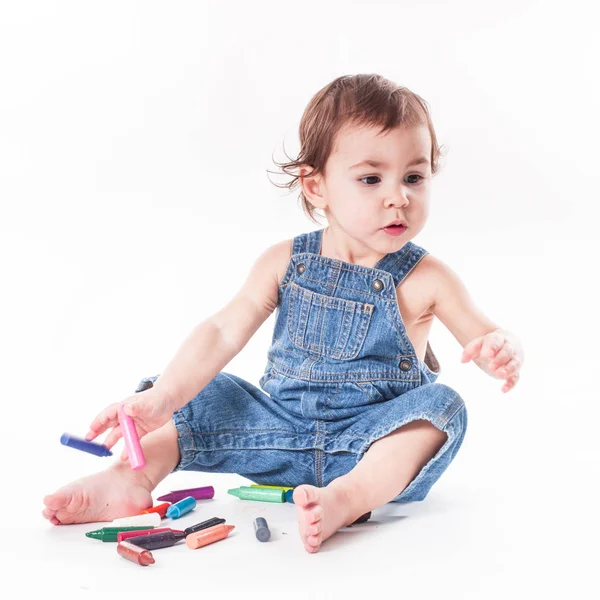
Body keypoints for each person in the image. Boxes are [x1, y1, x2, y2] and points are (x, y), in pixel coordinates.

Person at [42, 74, 524, 553]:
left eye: (413, 177)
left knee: (442, 407)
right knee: (205, 390)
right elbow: (222, 330)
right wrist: (163, 398)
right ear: (317, 187)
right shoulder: (283, 262)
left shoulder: (429, 278)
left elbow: (481, 336)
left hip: (368, 449)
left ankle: (346, 500)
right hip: (275, 433)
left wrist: (498, 349)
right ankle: (128, 479)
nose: (398, 196)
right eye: (371, 178)